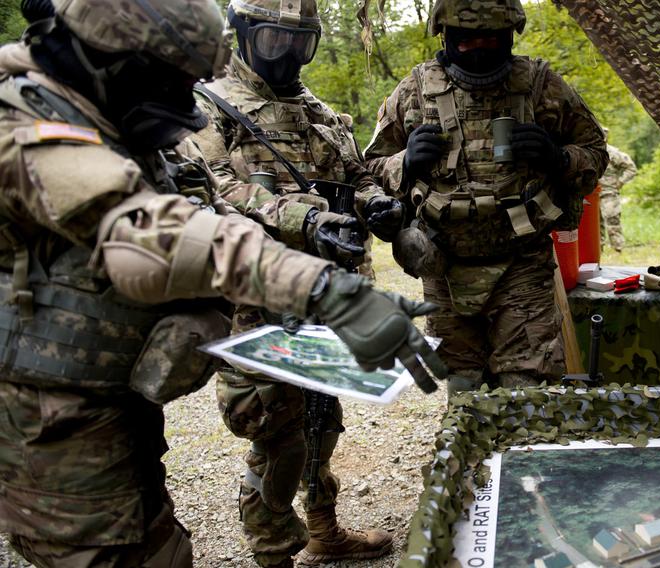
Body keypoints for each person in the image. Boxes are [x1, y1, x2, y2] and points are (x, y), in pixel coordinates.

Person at [0, 1, 444, 567]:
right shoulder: (27, 123)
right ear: (111, 58)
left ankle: (317, 527)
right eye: (172, 82)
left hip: (102, 402)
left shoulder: (90, 107)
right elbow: (152, 229)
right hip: (52, 419)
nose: (188, 105)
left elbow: (197, 200)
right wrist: (325, 286)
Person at [188, 1, 404, 566]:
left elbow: (353, 175)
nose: (288, 56)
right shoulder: (209, 107)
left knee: (319, 419)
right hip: (258, 296)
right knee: (275, 432)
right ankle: (274, 553)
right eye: (275, 41)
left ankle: (323, 529)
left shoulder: (318, 112)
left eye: (300, 42)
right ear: (243, 34)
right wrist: (305, 218)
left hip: (325, 294)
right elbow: (220, 193)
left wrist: (375, 203)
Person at [364, 0, 608, 395]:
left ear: (510, 35)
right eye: (466, 41)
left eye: (491, 39)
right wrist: (404, 163)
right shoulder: (414, 90)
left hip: (522, 265)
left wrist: (558, 156)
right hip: (444, 267)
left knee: (524, 391)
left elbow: (596, 153)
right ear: (445, 36)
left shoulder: (542, 85)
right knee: (463, 390)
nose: (479, 49)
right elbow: (367, 171)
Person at [599, 138, 637, 253]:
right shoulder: (589, 151)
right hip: (590, 194)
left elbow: (631, 168)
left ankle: (617, 249)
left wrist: (620, 182)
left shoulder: (612, 152)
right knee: (594, 226)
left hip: (609, 192)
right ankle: (597, 251)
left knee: (612, 220)